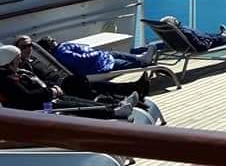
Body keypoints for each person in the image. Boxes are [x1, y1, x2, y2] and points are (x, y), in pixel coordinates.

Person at [0, 45, 137, 118]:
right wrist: (51, 92)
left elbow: (36, 85)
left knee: (77, 100)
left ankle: (116, 105)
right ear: (9, 61)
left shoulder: (16, 73)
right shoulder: (6, 80)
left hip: (46, 99)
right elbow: (26, 96)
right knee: (77, 107)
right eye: (17, 59)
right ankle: (113, 113)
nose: (19, 61)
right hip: (40, 108)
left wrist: (51, 88)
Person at [15, 35, 149, 101]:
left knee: (98, 85)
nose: (28, 49)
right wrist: (53, 89)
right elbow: (36, 84)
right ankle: (130, 91)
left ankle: (133, 88)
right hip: (58, 86)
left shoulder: (33, 60)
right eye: (24, 47)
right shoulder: (22, 67)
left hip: (64, 80)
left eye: (30, 45)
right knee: (92, 86)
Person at [38, 37, 156, 77]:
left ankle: (140, 57)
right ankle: (142, 62)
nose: (53, 39)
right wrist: (97, 53)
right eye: (50, 40)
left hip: (97, 59)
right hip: (95, 65)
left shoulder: (61, 49)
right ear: (49, 46)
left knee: (115, 53)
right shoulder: (62, 53)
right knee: (118, 62)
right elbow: (81, 59)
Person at [160, 16, 226, 52]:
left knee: (213, 35)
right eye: (173, 19)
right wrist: (207, 42)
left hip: (203, 38)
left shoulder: (173, 34)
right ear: (173, 24)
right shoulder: (184, 32)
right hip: (207, 43)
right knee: (219, 39)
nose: (176, 19)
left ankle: (224, 34)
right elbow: (201, 46)